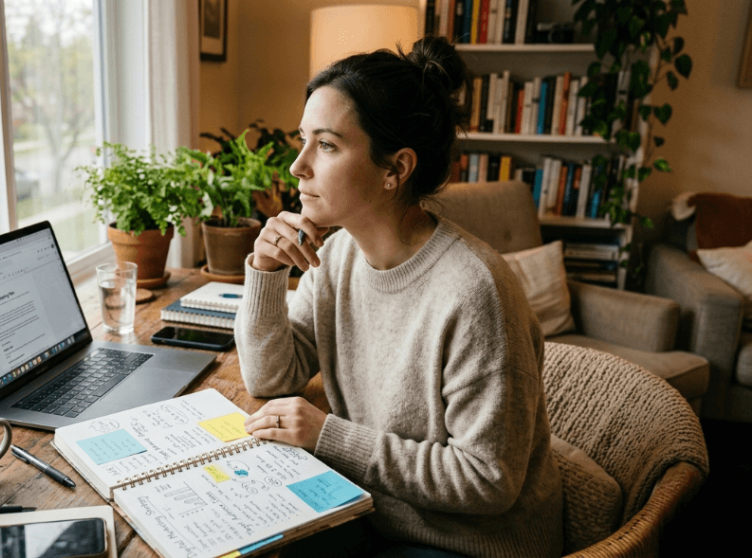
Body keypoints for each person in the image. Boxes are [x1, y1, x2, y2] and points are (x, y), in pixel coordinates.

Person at [234, 36, 563, 558]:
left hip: (469, 542)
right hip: (376, 509)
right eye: (303, 140)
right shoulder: (335, 258)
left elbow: (487, 480)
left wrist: (329, 436)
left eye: (326, 145)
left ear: (396, 169)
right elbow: (270, 378)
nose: (298, 166)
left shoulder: (475, 291)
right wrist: (266, 270)